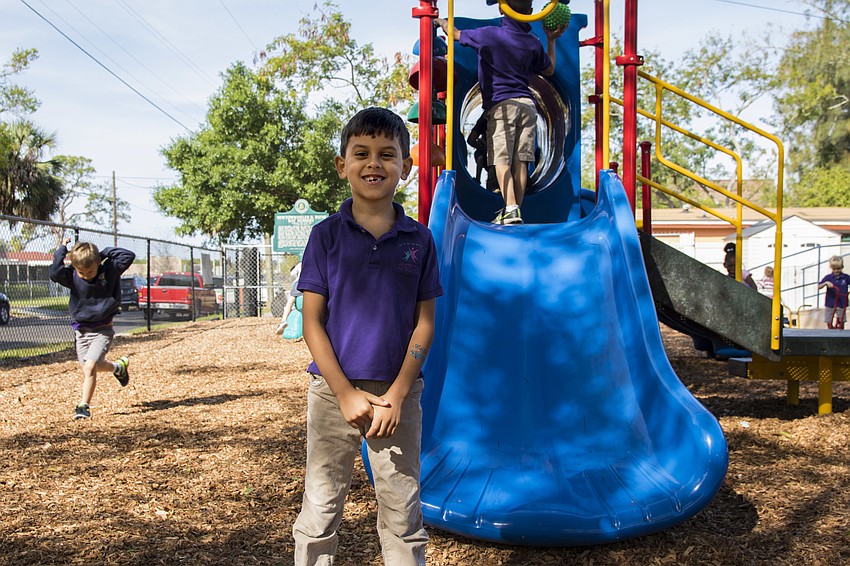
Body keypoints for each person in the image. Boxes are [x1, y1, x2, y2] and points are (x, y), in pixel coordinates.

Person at [291, 107, 444, 566]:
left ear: (406, 166)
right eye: (361, 153)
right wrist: (343, 393)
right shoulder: (325, 237)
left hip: (398, 398)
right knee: (320, 508)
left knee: (402, 512)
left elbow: (425, 322)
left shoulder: (420, 240)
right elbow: (312, 322)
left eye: (386, 154)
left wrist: (397, 395)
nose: (374, 163)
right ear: (342, 165)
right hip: (331, 392)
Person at [436, 0, 565, 225]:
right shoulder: (532, 42)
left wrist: (439, 21)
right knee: (521, 161)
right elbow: (549, 69)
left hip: (502, 105)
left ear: (500, 8)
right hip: (528, 105)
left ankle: (511, 208)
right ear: (530, 13)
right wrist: (551, 39)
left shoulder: (490, 35)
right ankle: (514, 211)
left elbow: (454, 34)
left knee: (501, 158)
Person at [49, 237, 136, 419]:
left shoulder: (109, 270)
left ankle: (83, 407)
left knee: (90, 367)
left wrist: (101, 254)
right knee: (92, 367)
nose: (86, 275)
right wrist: (62, 249)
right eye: (81, 272)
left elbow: (128, 255)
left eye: (90, 271)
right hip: (81, 331)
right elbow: (55, 271)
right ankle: (118, 368)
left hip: (103, 330)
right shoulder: (72, 276)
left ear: (98, 263)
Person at [817, 255, 849, 329]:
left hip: (842, 303)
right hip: (830, 303)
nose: (836, 271)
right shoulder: (828, 277)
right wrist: (826, 283)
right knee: (829, 319)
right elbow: (819, 286)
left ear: (842, 267)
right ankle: (830, 329)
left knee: (842, 320)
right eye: (834, 269)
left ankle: (840, 330)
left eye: (838, 269)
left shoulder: (845, 277)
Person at [274, 260, 302, 335]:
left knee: (289, 302)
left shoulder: (300, 264)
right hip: (312, 285)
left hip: (299, 283)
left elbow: (292, 274)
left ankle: (283, 321)